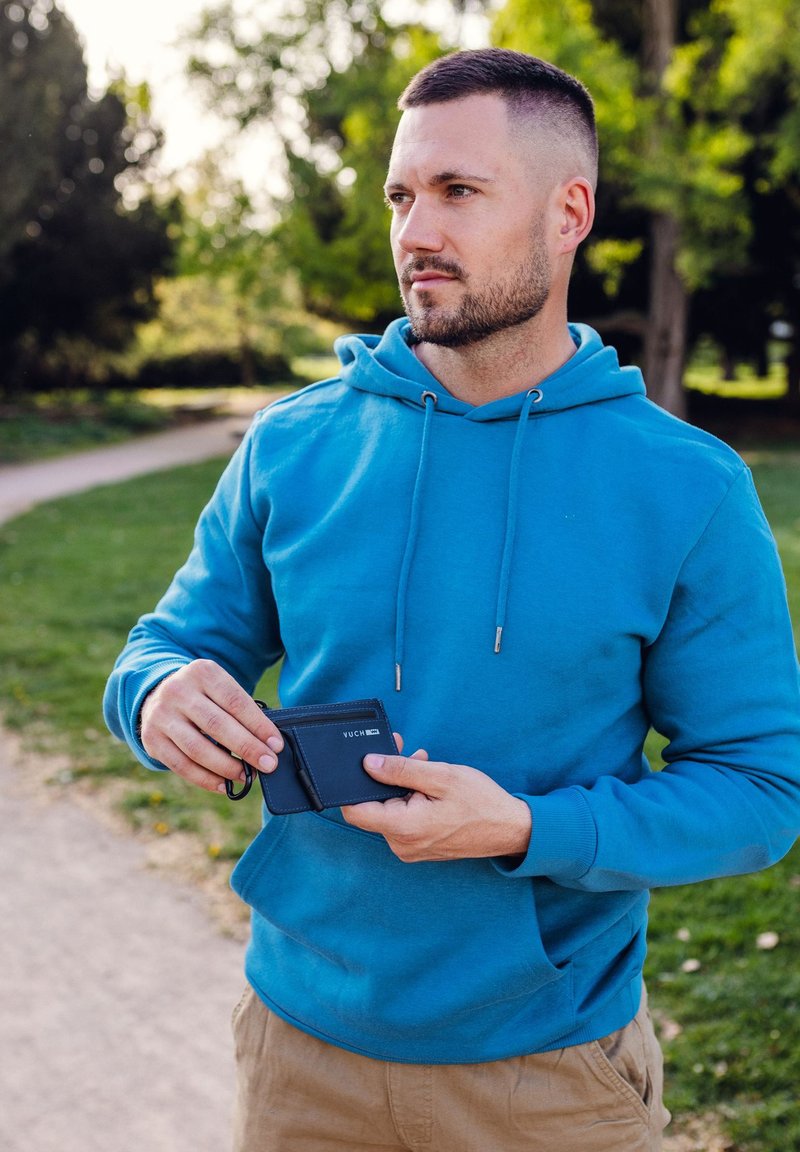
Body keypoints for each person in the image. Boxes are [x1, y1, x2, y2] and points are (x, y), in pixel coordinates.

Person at [104, 48, 800, 1152]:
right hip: (298, 1058)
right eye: (400, 194)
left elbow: (760, 789)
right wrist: (152, 696)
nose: (413, 231)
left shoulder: (687, 487)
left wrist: (527, 827)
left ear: (567, 212)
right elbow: (171, 643)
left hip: (547, 1078)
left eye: (457, 192)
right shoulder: (294, 443)